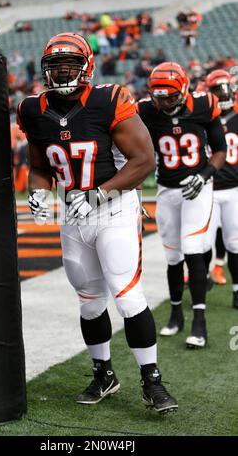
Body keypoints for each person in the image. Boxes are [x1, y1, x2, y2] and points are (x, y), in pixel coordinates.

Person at [17, 32, 178, 413]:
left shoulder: (109, 100)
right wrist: (37, 190)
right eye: (54, 66)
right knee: (89, 302)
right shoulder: (32, 108)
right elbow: (41, 166)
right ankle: (103, 373)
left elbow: (143, 161)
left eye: (69, 64)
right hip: (73, 213)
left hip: (114, 208)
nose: (61, 72)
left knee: (126, 294)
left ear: (86, 66)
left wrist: (99, 194)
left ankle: (152, 380)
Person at [136, 62, 227, 348]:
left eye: (170, 96)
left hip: (197, 188)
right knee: (173, 257)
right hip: (167, 189)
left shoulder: (204, 104)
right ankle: (176, 314)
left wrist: (204, 176)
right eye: (159, 96)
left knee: (191, 249)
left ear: (185, 90)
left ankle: (199, 322)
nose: (164, 102)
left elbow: (220, 150)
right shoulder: (145, 110)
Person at [205, 69, 238, 307]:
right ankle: (204, 276)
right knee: (203, 242)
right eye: (217, 89)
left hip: (234, 188)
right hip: (210, 188)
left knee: (234, 242)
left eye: (225, 88)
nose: (223, 93)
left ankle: (237, 289)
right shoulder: (204, 118)